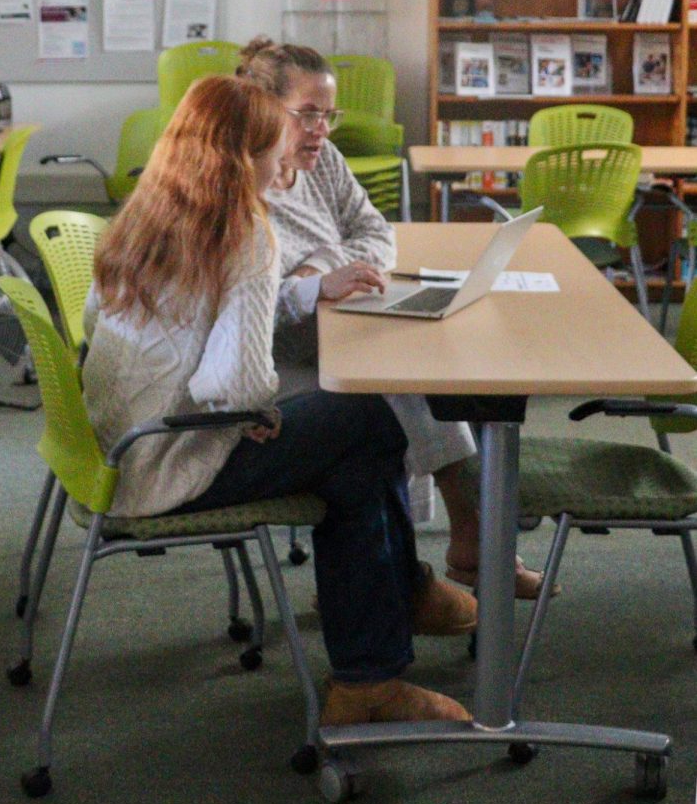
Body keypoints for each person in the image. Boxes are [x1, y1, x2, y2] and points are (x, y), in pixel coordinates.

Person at [83, 74, 474, 726]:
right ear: (245, 159)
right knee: (371, 417)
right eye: (275, 150)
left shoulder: (143, 214)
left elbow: (110, 327)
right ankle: (376, 655)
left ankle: (372, 668)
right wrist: (263, 409)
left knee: (353, 456)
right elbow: (233, 387)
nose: (286, 162)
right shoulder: (245, 231)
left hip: (117, 448)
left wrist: (264, 405)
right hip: (175, 460)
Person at [236, 37, 550, 599]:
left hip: (342, 330)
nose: (321, 130)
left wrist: (320, 264)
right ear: (262, 107)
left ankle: (444, 555)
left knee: (415, 365)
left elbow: (379, 234)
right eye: (307, 114)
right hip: (274, 360)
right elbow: (252, 302)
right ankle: (455, 552)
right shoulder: (242, 182)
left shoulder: (322, 162)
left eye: (327, 115)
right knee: (397, 388)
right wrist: (312, 284)